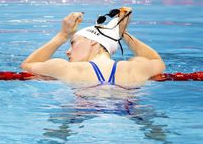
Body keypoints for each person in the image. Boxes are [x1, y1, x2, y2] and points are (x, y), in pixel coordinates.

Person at [21, 7, 165, 88]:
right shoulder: (133, 69)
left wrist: (62, 35)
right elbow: (156, 60)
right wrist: (123, 34)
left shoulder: (66, 69)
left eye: (73, 43)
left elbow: (27, 65)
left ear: (93, 42)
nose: (67, 52)